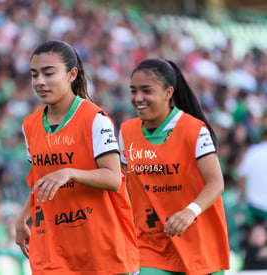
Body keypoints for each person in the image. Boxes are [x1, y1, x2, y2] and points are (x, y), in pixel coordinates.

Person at [15, 40, 139, 275]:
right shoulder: (29, 125)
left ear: (72, 74)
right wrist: (23, 217)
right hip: (53, 247)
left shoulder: (95, 119)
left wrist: (69, 172)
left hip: (100, 250)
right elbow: (39, 181)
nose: (39, 81)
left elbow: (113, 178)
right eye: (34, 75)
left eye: (49, 73)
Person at [119, 59, 230, 274]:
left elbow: (216, 183)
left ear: (168, 92)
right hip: (151, 245)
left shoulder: (194, 130)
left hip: (200, 244)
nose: (138, 98)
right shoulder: (126, 132)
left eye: (146, 91)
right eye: (133, 91)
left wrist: (190, 211)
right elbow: (125, 188)